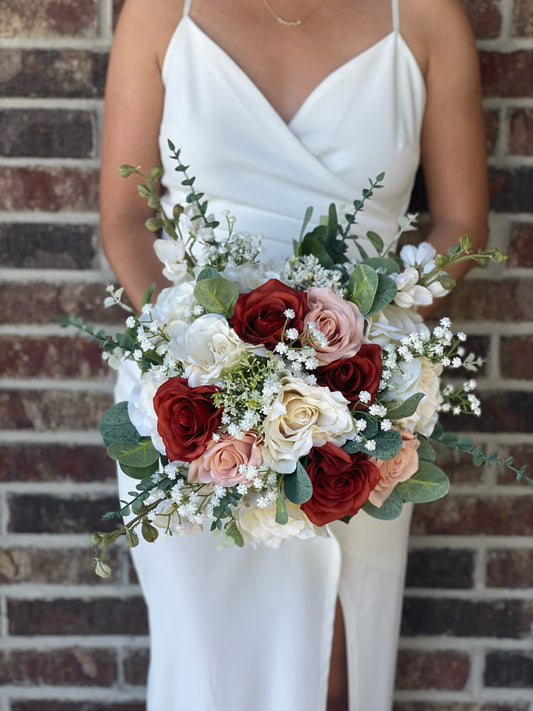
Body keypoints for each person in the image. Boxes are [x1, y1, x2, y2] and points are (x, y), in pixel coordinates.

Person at [99, 0, 488, 709]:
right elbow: (125, 215)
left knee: (331, 664)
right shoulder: (160, 14)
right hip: (190, 395)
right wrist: (195, 352)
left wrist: (366, 334)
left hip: (359, 395)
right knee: (204, 670)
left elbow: (462, 222)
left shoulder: (426, 18)